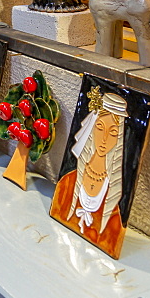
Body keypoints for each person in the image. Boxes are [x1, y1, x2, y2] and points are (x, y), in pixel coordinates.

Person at [50, 92, 128, 258]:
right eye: (99, 128)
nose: (104, 138)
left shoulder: (113, 198)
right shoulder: (68, 182)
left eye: (113, 133)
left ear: (119, 138)